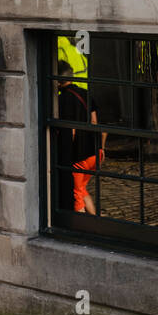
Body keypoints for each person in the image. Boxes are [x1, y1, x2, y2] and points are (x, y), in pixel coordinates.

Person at [55, 61, 105, 215]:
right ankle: (96, 220)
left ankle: (81, 224)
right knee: (82, 190)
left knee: (76, 194)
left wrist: (66, 156)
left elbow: (71, 132)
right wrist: (101, 149)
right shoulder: (86, 93)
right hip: (95, 153)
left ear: (57, 81)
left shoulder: (62, 100)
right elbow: (96, 124)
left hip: (79, 156)